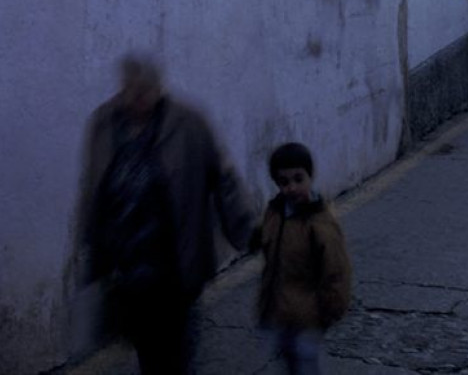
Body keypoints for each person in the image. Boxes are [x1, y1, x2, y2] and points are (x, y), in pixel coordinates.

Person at [77, 53, 255, 374]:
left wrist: (247, 229)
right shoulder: (104, 122)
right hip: (126, 266)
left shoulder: (188, 123)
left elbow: (223, 178)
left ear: (160, 87)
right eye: (131, 88)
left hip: (175, 262)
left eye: (145, 89)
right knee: (146, 345)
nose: (138, 96)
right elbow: (91, 187)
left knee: (173, 348)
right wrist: (89, 244)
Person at [257, 142, 353, 375]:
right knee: (289, 363)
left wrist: (329, 311)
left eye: (299, 179)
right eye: (284, 182)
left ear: (310, 177)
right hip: (280, 312)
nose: (292, 187)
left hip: (309, 317)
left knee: (306, 367)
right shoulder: (276, 212)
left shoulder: (319, 224)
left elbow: (337, 270)